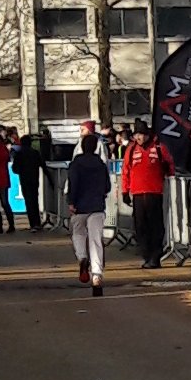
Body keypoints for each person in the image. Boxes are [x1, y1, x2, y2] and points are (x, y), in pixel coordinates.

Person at [66, 123, 112, 291]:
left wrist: (71, 202)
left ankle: (82, 257)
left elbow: (73, 184)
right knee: (96, 240)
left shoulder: (76, 164)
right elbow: (107, 186)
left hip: (80, 206)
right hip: (97, 206)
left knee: (78, 233)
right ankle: (97, 274)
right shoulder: (101, 165)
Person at [121, 121, 169, 270]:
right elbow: (125, 171)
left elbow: (170, 166)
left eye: (141, 134)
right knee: (140, 227)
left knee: (156, 226)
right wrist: (125, 191)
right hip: (138, 194)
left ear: (147, 135)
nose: (138, 137)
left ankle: (155, 256)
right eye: (136, 135)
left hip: (154, 193)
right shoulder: (131, 150)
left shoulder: (159, 148)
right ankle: (147, 255)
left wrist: (167, 169)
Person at [15, 119, 50, 232]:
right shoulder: (35, 153)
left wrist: (21, 171)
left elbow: (15, 169)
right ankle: (37, 223)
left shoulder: (19, 154)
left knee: (28, 202)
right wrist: (50, 178)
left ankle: (33, 223)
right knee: (34, 200)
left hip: (24, 179)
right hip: (34, 179)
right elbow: (43, 166)